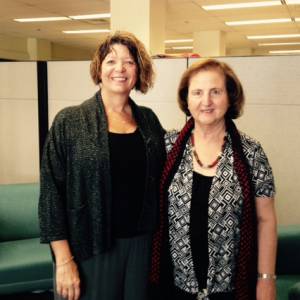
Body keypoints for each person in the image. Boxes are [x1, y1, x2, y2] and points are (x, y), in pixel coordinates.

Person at [38, 31, 165, 300]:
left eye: (129, 62)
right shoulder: (70, 121)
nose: (120, 68)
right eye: (111, 61)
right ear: (99, 68)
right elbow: (51, 196)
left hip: (141, 246)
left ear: (139, 70)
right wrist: (63, 260)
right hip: (89, 246)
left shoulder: (149, 121)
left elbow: (167, 175)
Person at [149, 59, 277, 300]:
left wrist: (266, 280)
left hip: (232, 289)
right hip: (175, 287)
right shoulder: (167, 147)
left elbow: (266, 219)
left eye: (215, 92)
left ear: (230, 97)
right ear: (186, 99)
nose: (206, 101)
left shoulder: (251, 152)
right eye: (197, 92)